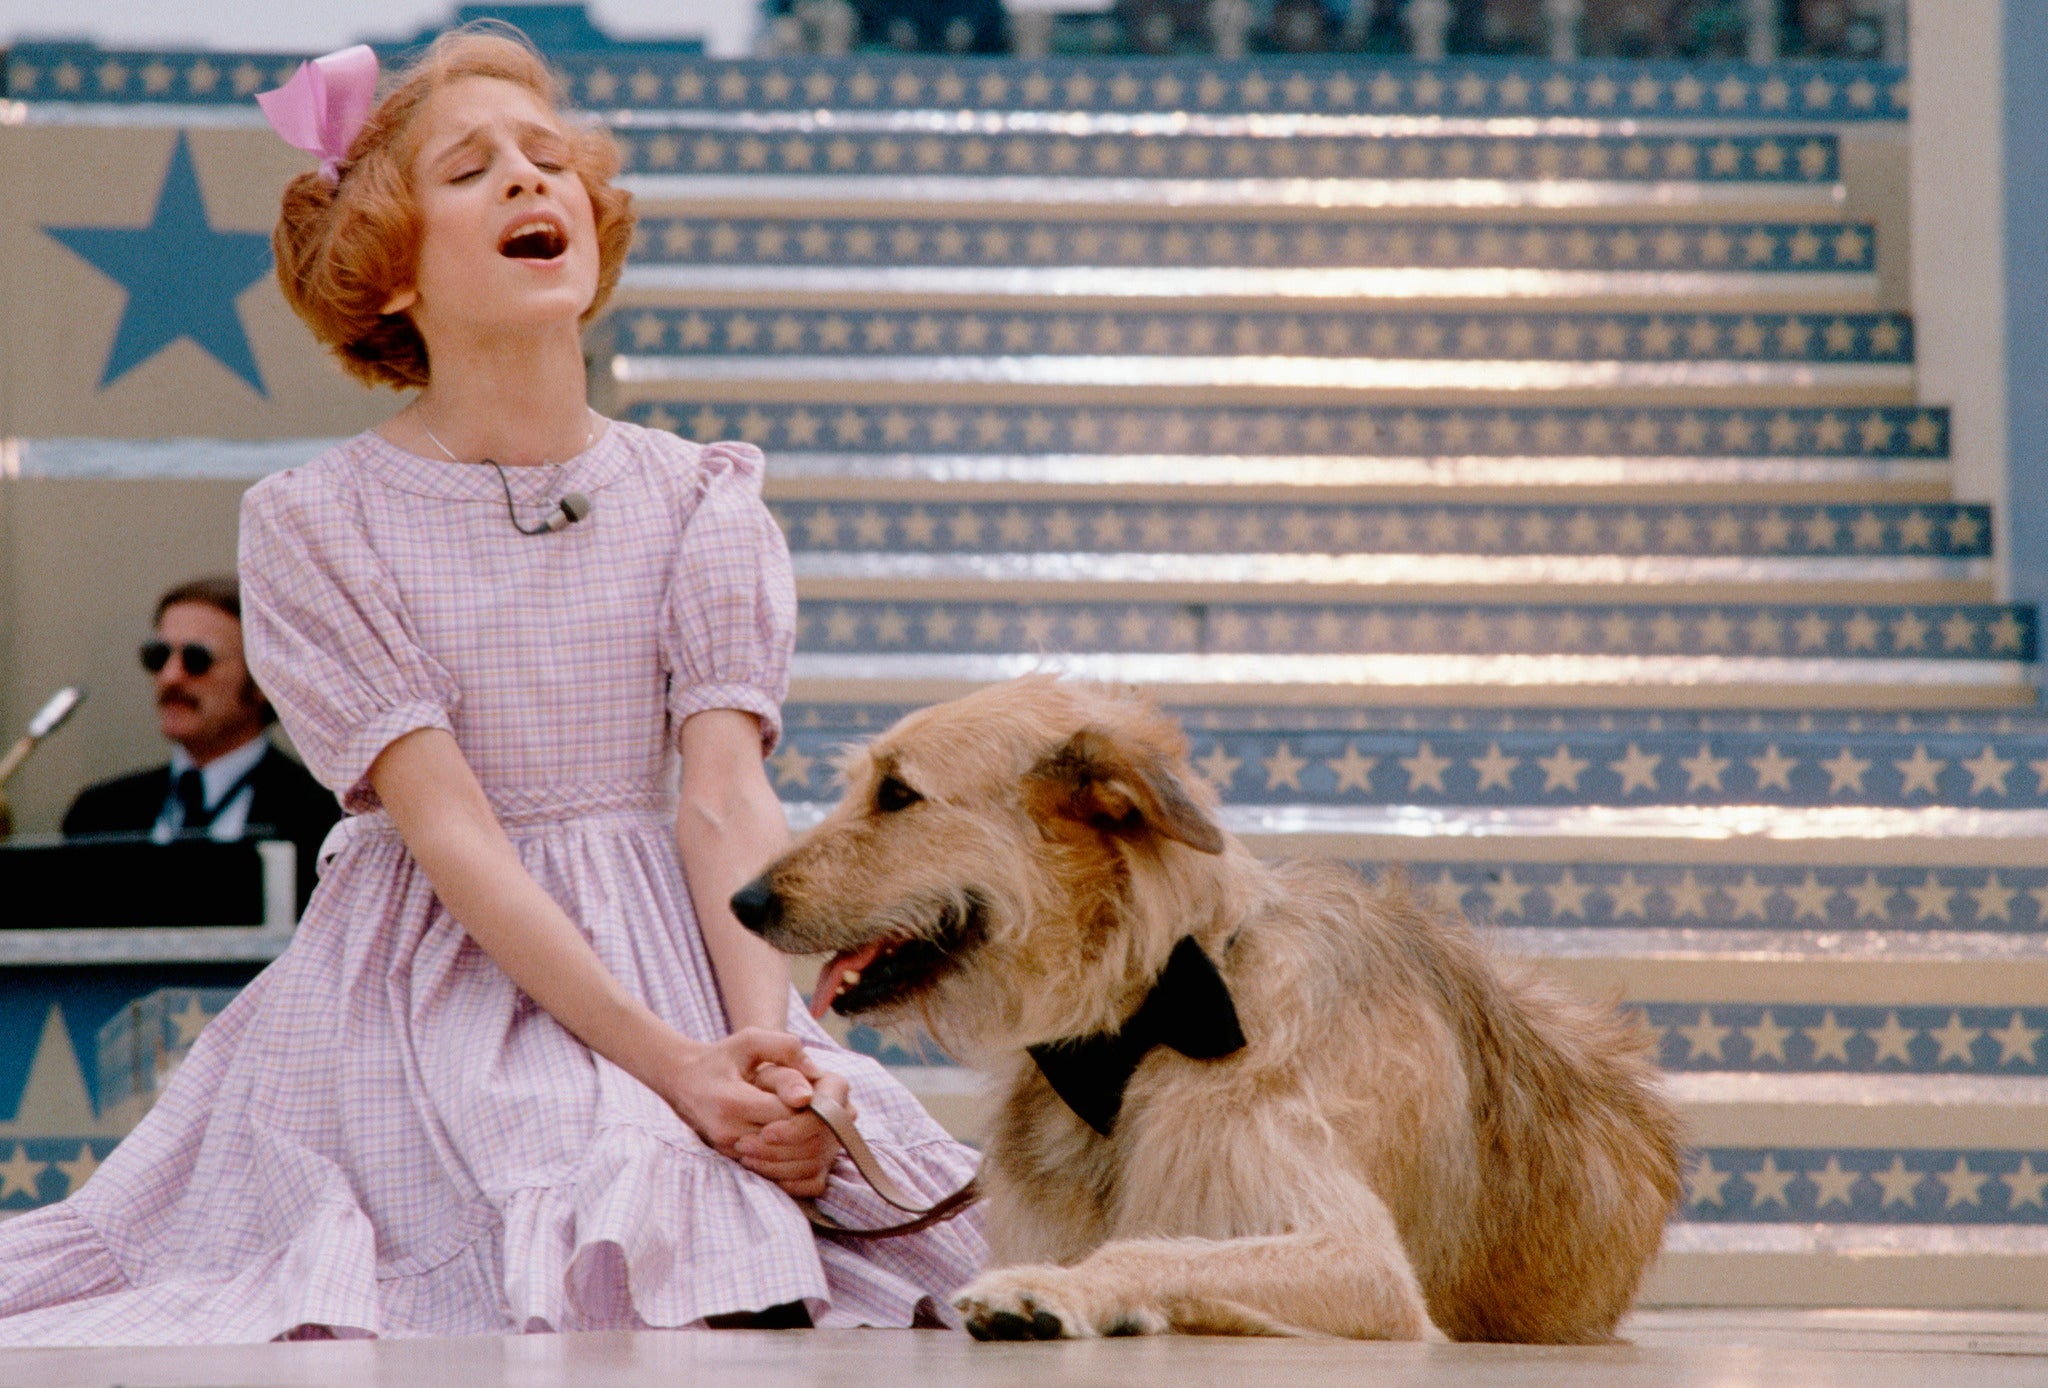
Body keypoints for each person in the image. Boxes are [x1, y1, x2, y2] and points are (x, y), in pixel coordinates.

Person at [0, 28, 982, 1344]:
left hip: (686, 959)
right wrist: (675, 1069)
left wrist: (770, 1055)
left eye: (550, 157)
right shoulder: (316, 520)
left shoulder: (701, 496)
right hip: (434, 983)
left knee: (772, 1218)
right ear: (389, 270)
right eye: (472, 170)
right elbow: (451, 829)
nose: (532, 181)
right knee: (610, 1189)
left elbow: (725, 796)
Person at [61, 575, 339, 912]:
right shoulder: (98, 815)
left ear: (263, 680)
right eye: (158, 656)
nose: (170, 677)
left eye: (196, 659)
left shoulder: (323, 819)